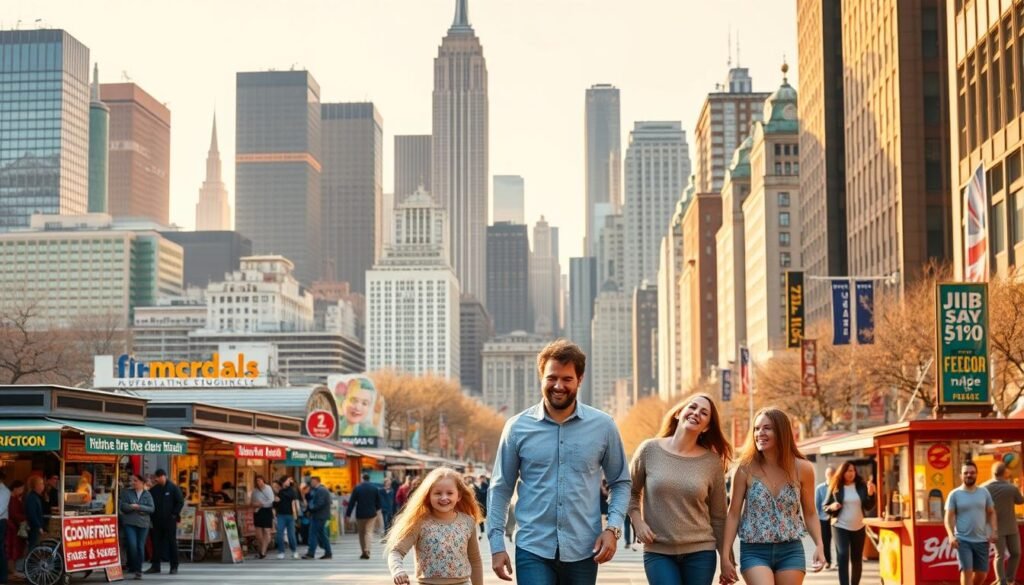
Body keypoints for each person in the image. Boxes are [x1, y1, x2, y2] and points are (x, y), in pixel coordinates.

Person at [487, 339, 631, 585]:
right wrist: (497, 545)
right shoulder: (517, 427)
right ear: (541, 377)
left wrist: (613, 529)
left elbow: (621, 482)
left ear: (580, 379)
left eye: (567, 379)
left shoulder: (604, 426)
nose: (558, 385)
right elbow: (500, 488)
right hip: (533, 548)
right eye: (552, 378)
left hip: (585, 549)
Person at [628, 393, 732, 585]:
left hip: (701, 552)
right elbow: (629, 492)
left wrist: (727, 559)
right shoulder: (649, 449)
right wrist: (638, 523)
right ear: (678, 413)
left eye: (704, 413)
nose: (696, 413)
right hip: (658, 552)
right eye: (692, 407)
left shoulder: (712, 462)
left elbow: (719, 517)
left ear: (707, 427)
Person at [720, 407, 826, 585]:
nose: (760, 433)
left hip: (791, 549)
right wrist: (725, 555)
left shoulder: (804, 468)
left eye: (767, 428)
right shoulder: (744, 469)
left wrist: (820, 546)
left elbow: (810, 513)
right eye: (756, 428)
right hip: (754, 551)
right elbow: (733, 514)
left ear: (782, 432)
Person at [386, 467, 483, 585]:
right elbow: (396, 552)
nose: (444, 497)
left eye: (450, 493)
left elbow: (475, 560)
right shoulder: (419, 523)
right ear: (428, 496)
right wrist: (398, 571)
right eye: (437, 493)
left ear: (459, 496)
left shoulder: (468, 522)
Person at [823, 461, 876, 585]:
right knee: (843, 556)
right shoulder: (835, 486)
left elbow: (868, 507)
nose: (850, 473)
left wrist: (871, 494)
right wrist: (832, 506)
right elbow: (825, 507)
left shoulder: (861, 486)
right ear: (842, 472)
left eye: (852, 470)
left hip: (859, 526)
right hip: (840, 526)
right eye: (847, 470)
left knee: (857, 559)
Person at [946, 460, 997, 585]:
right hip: (963, 540)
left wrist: (994, 531)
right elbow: (948, 517)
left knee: (982, 574)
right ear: (961, 475)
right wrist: (951, 535)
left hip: (981, 540)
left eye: (972, 473)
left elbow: (991, 512)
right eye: (966, 473)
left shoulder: (984, 492)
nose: (969, 475)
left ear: (976, 474)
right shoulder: (954, 494)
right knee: (967, 572)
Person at [983, 462, 1024, 585]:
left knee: (999, 555)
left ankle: (1002, 581)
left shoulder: (983, 488)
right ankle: (1009, 579)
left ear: (992, 472)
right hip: (1011, 527)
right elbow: (1020, 501)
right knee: (1016, 553)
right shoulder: (1011, 488)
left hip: (994, 528)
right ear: (1005, 473)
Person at [145, 469, 183, 576]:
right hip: (157, 521)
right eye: (155, 478)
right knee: (156, 543)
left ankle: (174, 566)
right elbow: (150, 503)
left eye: (158, 477)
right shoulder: (154, 489)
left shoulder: (173, 488)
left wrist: (174, 514)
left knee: (172, 543)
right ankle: (155, 566)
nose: (156, 480)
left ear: (163, 476)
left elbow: (180, 502)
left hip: (170, 521)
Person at [119, 474, 154, 580]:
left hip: (143, 524)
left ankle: (138, 570)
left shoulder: (147, 494)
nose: (133, 482)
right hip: (130, 523)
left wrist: (138, 507)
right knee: (132, 545)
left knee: (140, 546)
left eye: (136, 481)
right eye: (132, 480)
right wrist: (131, 507)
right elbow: (123, 506)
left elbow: (152, 509)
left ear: (142, 483)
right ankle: (133, 565)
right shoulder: (126, 492)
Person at [346, 473, 382, 560]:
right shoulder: (375, 488)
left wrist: (348, 514)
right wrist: (378, 513)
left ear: (362, 478)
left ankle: (363, 552)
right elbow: (379, 503)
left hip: (360, 514)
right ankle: (367, 549)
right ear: (369, 479)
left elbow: (352, 502)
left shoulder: (357, 488)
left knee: (361, 533)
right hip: (371, 514)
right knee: (369, 532)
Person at [302, 476, 333, 560]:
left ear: (317, 481)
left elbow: (319, 503)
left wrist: (310, 508)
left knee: (313, 534)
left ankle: (311, 553)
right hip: (318, 515)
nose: (311, 483)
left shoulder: (321, 490)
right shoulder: (317, 490)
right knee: (321, 534)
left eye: (312, 481)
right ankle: (328, 552)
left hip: (319, 515)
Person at [814, 466, 835, 570]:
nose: (830, 476)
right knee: (826, 541)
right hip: (823, 519)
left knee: (838, 542)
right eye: (829, 474)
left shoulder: (838, 487)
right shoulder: (820, 488)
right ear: (826, 475)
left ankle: (840, 561)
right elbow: (817, 505)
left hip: (836, 519)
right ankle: (828, 562)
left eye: (832, 474)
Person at [274, 476, 300, 560]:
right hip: (281, 515)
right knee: (279, 534)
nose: (290, 481)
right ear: (283, 481)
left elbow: (293, 498)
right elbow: (275, 504)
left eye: (290, 480)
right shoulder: (279, 491)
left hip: (290, 515)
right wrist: (276, 500)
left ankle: (294, 551)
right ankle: (281, 552)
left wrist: (279, 495)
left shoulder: (291, 490)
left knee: (291, 534)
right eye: (288, 480)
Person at [250, 475, 275, 559]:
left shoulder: (268, 488)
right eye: (257, 480)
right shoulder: (255, 491)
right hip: (257, 512)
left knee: (267, 531)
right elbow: (252, 502)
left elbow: (271, 500)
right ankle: (262, 548)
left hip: (267, 511)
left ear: (263, 481)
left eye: (260, 480)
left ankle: (263, 551)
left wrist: (261, 504)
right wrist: (254, 504)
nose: (259, 482)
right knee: (259, 534)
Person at [7, 481, 25, 579]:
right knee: (11, 549)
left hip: (12, 526)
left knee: (12, 549)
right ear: (15, 488)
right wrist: (25, 518)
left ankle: (12, 570)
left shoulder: (14, 498)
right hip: (12, 527)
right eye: (21, 489)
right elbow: (14, 514)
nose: (22, 491)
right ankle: (12, 570)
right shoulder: (12, 499)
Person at [24, 477, 45, 558]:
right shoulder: (32, 497)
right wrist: (39, 526)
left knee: (34, 547)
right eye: (41, 484)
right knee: (33, 547)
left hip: (35, 526)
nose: (43, 486)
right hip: (34, 527)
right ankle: (29, 566)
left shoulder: (36, 496)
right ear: (36, 486)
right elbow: (32, 514)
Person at [0, 471, 9, 585]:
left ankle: (2, 578)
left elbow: (1, 509)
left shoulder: (5, 491)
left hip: (1, 522)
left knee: (0, 550)